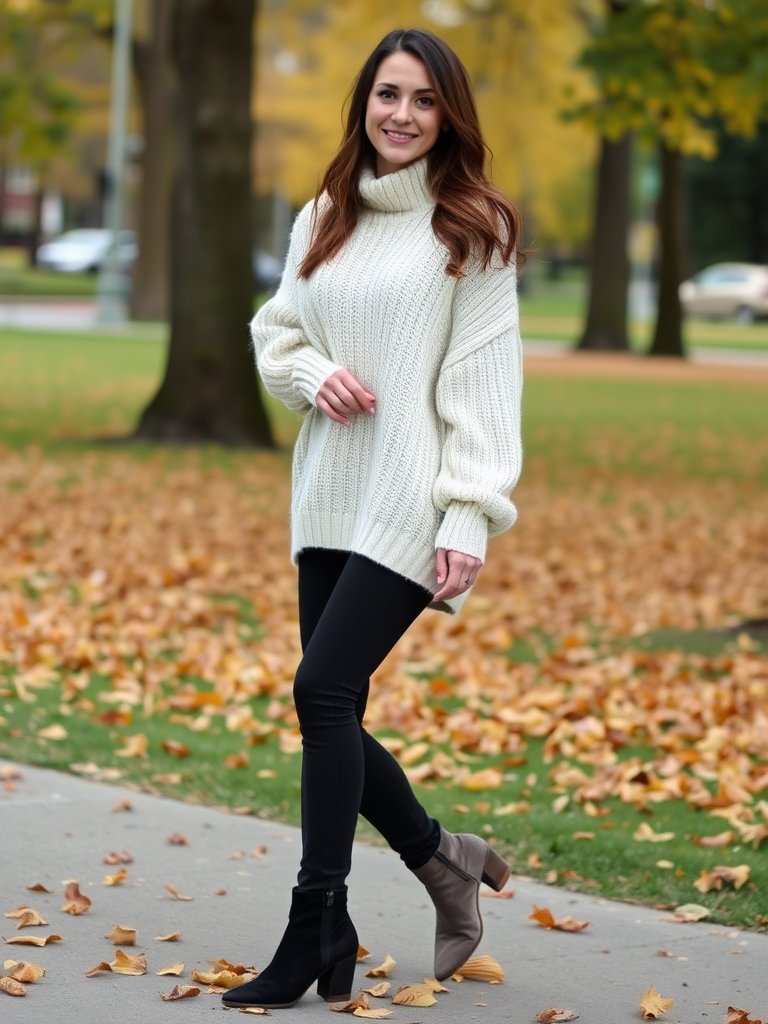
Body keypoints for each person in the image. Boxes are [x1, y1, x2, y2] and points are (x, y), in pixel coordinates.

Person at [224, 26, 524, 1011]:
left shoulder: (471, 227)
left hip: (409, 497)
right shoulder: (327, 213)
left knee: (321, 689)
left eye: (424, 100)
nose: (402, 114)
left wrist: (468, 514)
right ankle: (442, 859)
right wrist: (310, 373)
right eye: (388, 94)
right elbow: (278, 331)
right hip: (328, 493)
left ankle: (316, 920)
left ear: (449, 114)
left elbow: (481, 388)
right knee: (333, 705)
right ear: (364, 102)